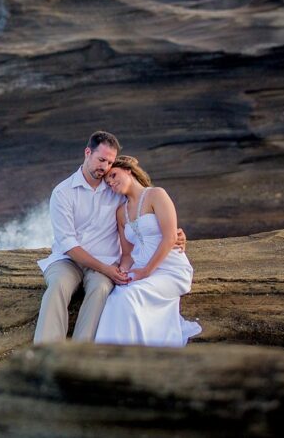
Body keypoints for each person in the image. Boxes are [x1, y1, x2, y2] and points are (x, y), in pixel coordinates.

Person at [33, 131, 186, 343]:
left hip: (105, 261)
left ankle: (80, 353)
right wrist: (107, 269)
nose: (105, 167)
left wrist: (174, 233)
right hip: (68, 260)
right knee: (58, 284)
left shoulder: (115, 187)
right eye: (101, 159)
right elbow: (67, 244)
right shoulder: (63, 192)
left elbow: (144, 210)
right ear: (88, 153)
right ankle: (46, 351)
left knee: (102, 288)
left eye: (110, 162)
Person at [94, 155, 202, 346]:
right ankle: (111, 355)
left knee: (130, 296)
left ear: (128, 170)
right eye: (107, 181)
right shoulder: (121, 212)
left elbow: (170, 237)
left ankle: (139, 352)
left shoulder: (156, 195)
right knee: (117, 296)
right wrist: (122, 274)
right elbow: (127, 255)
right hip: (141, 270)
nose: (110, 182)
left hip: (170, 269)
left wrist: (145, 272)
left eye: (114, 175)